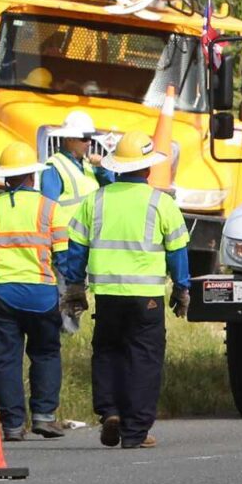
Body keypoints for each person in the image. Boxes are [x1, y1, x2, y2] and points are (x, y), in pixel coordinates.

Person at [60, 134, 192, 450]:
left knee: (108, 352)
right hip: (146, 297)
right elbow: (177, 252)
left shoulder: (96, 200)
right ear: (147, 169)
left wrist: (76, 286)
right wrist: (181, 288)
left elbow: (75, 248)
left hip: (107, 295)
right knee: (144, 360)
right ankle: (135, 431)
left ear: (117, 168)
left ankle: (110, 411)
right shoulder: (161, 203)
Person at [0, 139, 71, 442]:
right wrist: (70, 291)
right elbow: (64, 258)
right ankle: (44, 417)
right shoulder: (51, 210)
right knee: (46, 353)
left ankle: (12, 425)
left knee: (6, 358)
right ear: (32, 176)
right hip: (41, 294)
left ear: (6, 177)